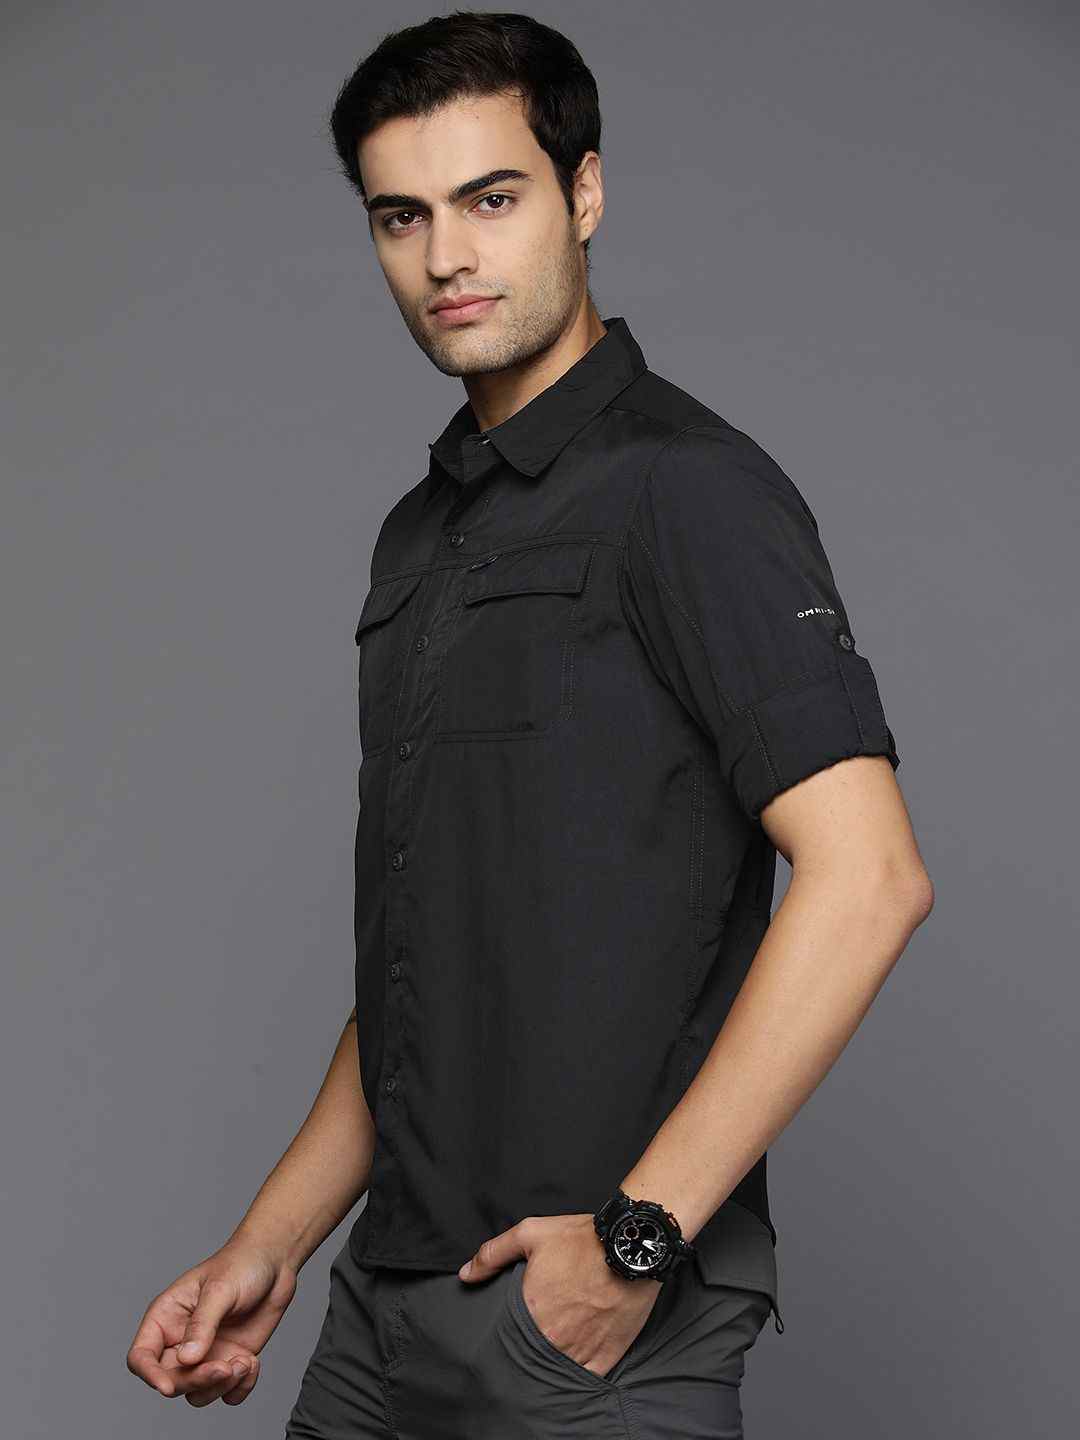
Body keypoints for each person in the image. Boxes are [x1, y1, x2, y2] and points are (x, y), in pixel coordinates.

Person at [125, 12, 934, 1437]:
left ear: (585, 192)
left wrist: (637, 1240)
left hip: (586, 1330)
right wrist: (270, 1243)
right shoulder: (418, 538)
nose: (447, 256)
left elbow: (870, 880)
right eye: (402, 217)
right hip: (382, 1309)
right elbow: (425, 961)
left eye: (490, 199)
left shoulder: (690, 489)